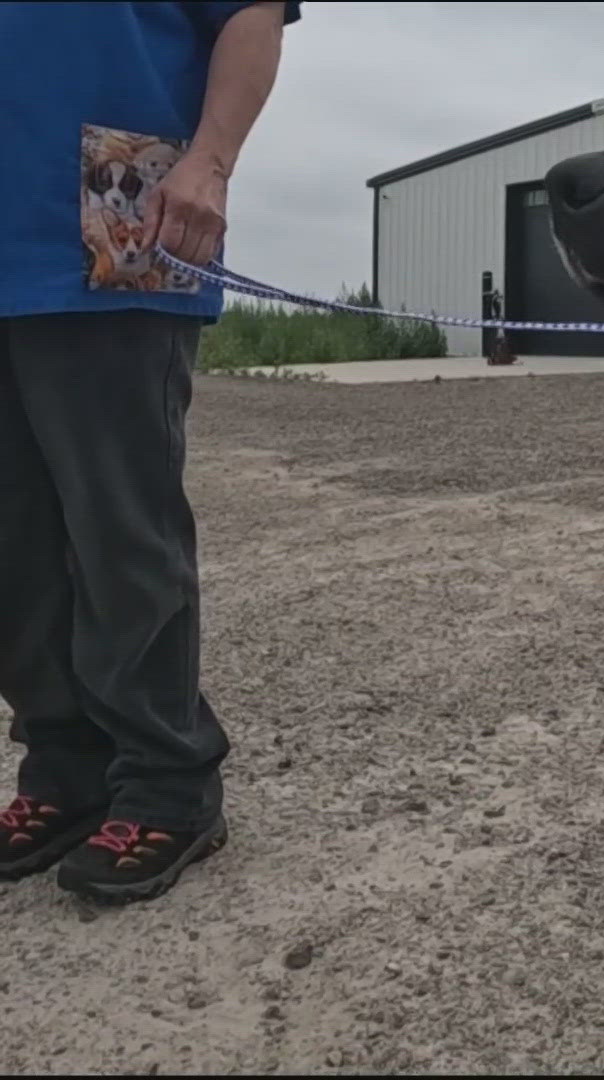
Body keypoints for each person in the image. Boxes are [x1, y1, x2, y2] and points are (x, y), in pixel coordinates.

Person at [0, 0, 302, 902]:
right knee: (11, 540)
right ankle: (65, 768)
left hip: (116, 206)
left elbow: (253, 13)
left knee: (120, 526)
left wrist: (210, 161)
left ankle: (169, 780)